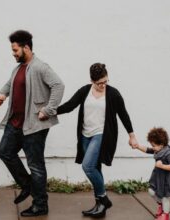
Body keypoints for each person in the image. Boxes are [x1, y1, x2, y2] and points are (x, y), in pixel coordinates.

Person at [0, 30, 64, 217]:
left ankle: (40, 205)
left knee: (36, 166)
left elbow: (59, 85)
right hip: (15, 123)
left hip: (34, 125)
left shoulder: (40, 67)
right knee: (4, 151)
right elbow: (10, 84)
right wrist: (2, 93)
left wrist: (48, 110)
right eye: (12, 50)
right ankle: (27, 185)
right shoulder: (17, 68)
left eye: (16, 50)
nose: (13, 53)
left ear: (26, 47)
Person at [57, 63, 138, 218]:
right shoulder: (85, 91)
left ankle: (103, 198)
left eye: (105, 81)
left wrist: (132, 135)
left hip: (102, 134)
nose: (103, 85)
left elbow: (123, 114)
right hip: (85, 135)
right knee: (96, 169)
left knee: (87, 167)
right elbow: (69, 106)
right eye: (99, 83)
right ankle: (99, 206)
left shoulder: (113, 94)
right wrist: (50, 112)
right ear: (92, 80)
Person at [132, 127, 170, 220]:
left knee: (165, 198)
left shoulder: (168, 154)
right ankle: (161, 204)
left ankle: (165, 215)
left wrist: (162, 166)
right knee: (151, 191)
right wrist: (137, 146)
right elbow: (147, 149)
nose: (152, 147)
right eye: (152, 145)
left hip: (166, 179)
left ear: (161, 145)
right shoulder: (157, 150)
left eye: (153, 145)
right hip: (157, 178)